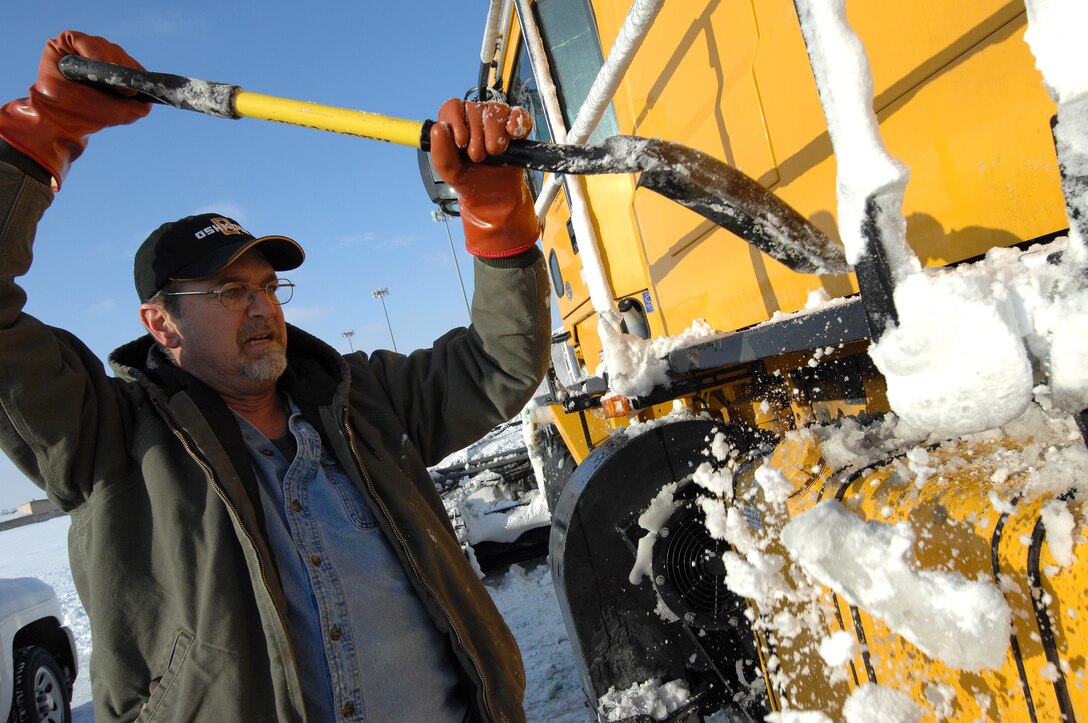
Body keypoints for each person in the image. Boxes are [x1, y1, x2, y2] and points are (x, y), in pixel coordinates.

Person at [0, 31, 550, 722]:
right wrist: (42, 130)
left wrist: (497, 216)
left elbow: (498, 363)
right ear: (161, 324)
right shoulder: (104, 440)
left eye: (267, 286)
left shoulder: (358, 400)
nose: (262, 305)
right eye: (230, 291)